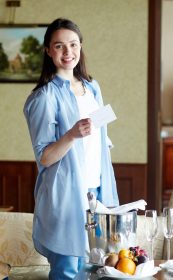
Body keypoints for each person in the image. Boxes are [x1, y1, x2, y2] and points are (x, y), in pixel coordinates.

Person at [23, 18, 119, 279]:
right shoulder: (43, 98)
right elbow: (45, 156)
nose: (68, 52)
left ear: (81, 46)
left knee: (100, 269)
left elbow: (99, 134)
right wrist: (72, 134)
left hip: (97, 192)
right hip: (65, 195)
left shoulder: (92, 87)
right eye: (59, 46)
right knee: (68, 271)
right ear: (48, 51)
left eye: (73, 44)